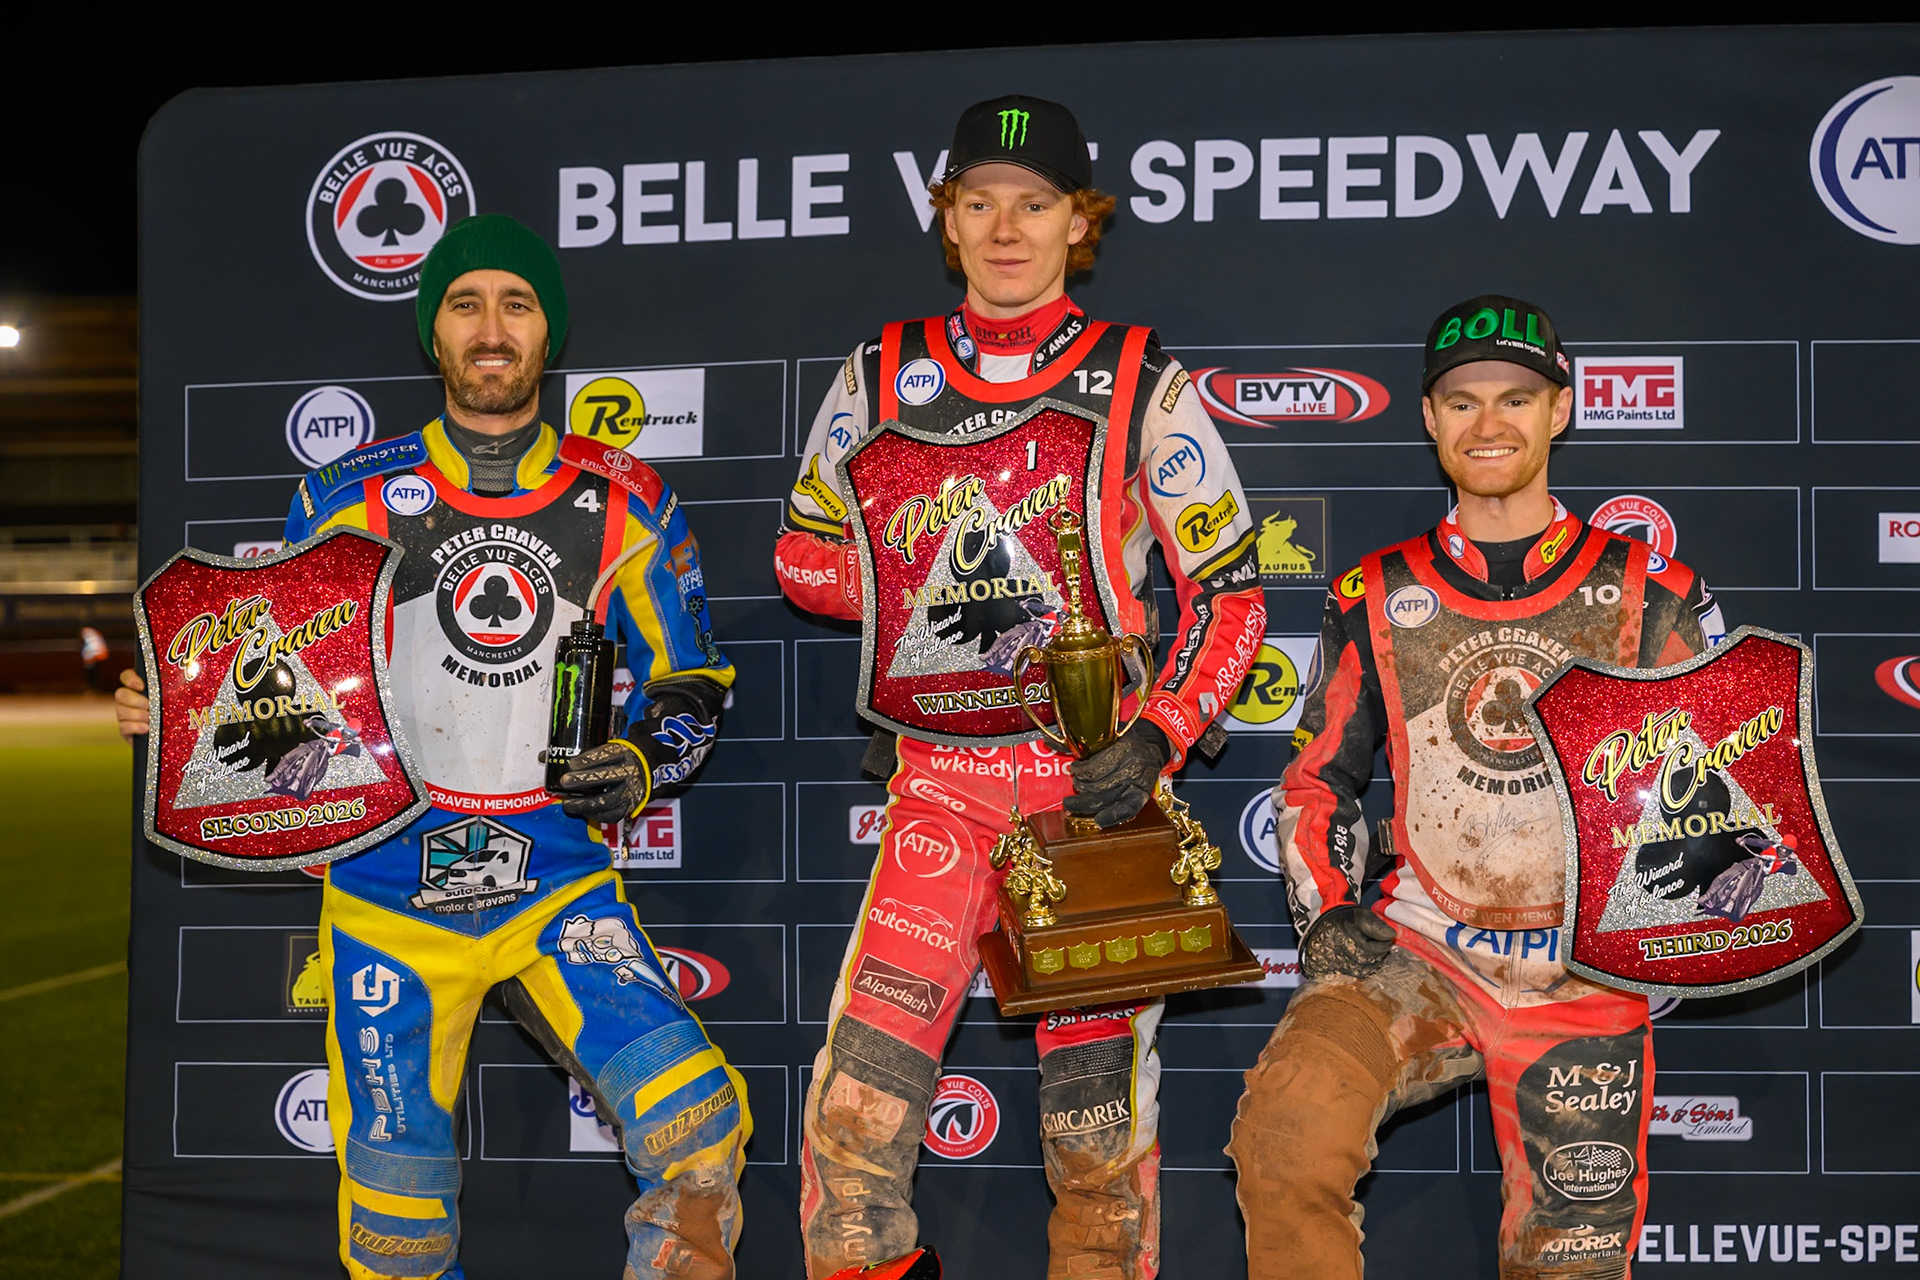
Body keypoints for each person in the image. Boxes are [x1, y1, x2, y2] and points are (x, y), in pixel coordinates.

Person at [115, 215, 750, 1280]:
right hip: (385, 887)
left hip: (558, 877)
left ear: (548, 329)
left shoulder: (627, 495)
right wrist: (177, 708)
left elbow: (694, 674)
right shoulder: (346, 495)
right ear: (433, 332)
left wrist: (641, 759)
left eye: (516, 302)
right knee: (395, 1226)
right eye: (465, 303)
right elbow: (283, 689)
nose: (491, 328)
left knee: (697, 1132)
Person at [776, 95, 1267, 1280]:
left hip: (1087, 803)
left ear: (1076, 223)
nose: (1006, 227)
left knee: (1094, 1143)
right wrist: (936, 599)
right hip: (940, 789)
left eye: (1035, 203)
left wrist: (1154, 738)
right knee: (856, 1116)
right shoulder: (878, 373)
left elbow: (1235, 595)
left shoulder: (1140, 374)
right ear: (945, 220)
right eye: (978, 201)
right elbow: (800, 555)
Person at [1225, 295, 1728, 1279]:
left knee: (1568, 1263)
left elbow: (1709, 799)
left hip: (1583, 973)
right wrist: (1325, 912)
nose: (1488, 423)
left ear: (1561, 409)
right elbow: (1318, 780)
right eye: (1461, 401)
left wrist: (1688, 909)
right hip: (1424, 952)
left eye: (1515, 398)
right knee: (1284, 1134)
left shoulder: (1651, 593)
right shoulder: (1374, 592)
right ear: (1429, 417)